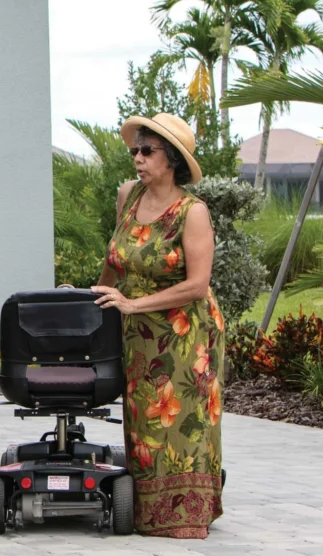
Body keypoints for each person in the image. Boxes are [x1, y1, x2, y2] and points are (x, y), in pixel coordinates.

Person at [91, 112, 224, 539]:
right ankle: (146, 511)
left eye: (148, 151)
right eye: (135, 151)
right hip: (140, 332)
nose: (138, 159)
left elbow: (197, 285)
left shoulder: (192, 212)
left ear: (172, 159)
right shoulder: (128, 196)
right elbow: (116, 257)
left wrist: (133, 304)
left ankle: (185, 515)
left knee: (183, 422)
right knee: (145, 421)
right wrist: (91, 296)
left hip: (187, 333)